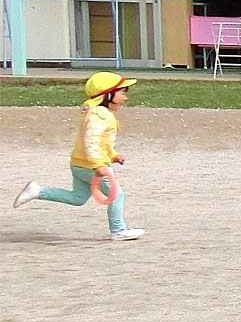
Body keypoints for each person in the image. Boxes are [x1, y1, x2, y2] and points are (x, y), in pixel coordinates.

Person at [13, 72, 146, 240]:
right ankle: (118, 230)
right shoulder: (100, 115)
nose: (125, 98)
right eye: (122, 93)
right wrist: (98, 165)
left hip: (80, 164)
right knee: (116, 194)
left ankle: (38, 191)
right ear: (108, 94)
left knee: (78, 198)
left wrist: (113, 155)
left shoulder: (98, 113)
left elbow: (101, 143)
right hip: (91, 166)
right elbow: (91, 141)